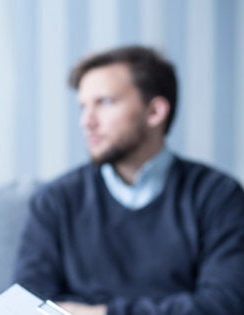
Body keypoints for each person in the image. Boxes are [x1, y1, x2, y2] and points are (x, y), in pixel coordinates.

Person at [14, 45, 244, 315]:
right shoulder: (55, 200)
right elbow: (28, 307)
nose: (86, 121)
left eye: (104, 102)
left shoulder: (217, 195)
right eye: (83, 106)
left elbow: (223, 305)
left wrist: (101, 313)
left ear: (154, 112)